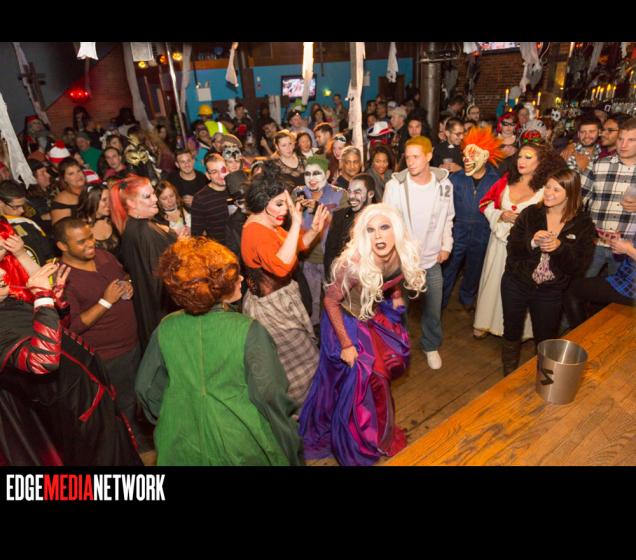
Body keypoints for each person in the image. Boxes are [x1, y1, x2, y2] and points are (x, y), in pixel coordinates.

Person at [135, 237, 302, 466]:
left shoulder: (165, 328)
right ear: (216, 288)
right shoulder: (248, 330)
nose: (241, 279)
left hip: (180, 443)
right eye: (234, 277)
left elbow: (145, 389)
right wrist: (290, 446)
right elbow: (270, 396)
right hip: (239, 445)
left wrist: (174, 415)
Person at [299, 203, 426, 466]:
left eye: (384, 227)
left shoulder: (402, 254)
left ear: (396, 229)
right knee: (359, 380)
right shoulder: (353, 265)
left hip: (370, 314)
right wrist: (346, 344)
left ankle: (374, 429)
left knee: (386, 367)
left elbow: (392, 278)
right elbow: (330, 301)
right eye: (370, 230)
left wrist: (396, 294)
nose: (378, 235)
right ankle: (356, 440)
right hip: (345, 321)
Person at [0, 235, 141, 466]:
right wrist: (42, 297)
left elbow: (57, 332)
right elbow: (42, 360)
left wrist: (53, 300)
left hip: (92, 392)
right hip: (75, 410)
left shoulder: (8, 302)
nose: (2, 273)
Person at [54, 217, 151, 451]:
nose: (90, 243)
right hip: (108, 358)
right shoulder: (63, 279)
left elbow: (123, 276)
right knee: (124, 406)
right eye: (81, 241)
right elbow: (71, 326)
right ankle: (139, 452)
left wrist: (128, 285)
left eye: (90, 237)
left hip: (133, 345)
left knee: (142, 399)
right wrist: (106, 301)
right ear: (62, 246)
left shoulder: (103, 256)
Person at [241, 163, 328, 405]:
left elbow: (296, 246)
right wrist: (297, 221)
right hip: (270, 310)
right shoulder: (255, 232)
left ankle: (312, 409)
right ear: (262, 202)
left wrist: (314, 231)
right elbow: (281, 265)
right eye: (280, 204)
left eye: (287, 204)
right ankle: (304, 414)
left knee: (308, 357)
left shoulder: (270, 224)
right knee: (303, 365)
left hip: (282, 300)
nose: (286, 210)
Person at [501, 168, 595, 374]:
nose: (549, 193)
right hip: (516, 283)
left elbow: (578, 267)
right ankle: (508, 374)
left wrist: (560, 248)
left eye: (556, 190)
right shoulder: (530, 213)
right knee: (511, 330)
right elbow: (512, 248)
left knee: (545, 337)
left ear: (570, 193)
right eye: (547, 187)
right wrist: (532, 242)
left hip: (550, 291)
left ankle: (544, 378)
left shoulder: (582, 224)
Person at [473, 143, 566, 339]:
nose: (521, 161)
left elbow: (554, 216)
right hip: (498, 245)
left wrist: (527, 225)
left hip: (526, 249)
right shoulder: (506, 180)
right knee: (493, 283)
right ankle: (485, 322)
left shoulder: (546, 188)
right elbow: (486, 203)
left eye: (528, 157)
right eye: (520, 157)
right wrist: (500, 214)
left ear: (541, 162)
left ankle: (518, 331)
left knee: (519, 286)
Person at [383, 136, 455, 370]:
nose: (410, 162)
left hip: (432, 259)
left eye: (416, 157)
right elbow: (386, 222)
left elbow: (449, 217)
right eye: (407, 157)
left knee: (433, 308)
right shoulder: (395, 186)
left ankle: (430, 345)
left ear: (429, 156)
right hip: (402, 261)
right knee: (399, 309)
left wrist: (446, 245)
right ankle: (399, 346)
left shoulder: (444, 184)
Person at [110, 175, 177, 351]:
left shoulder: (136, 226)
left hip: (155, 310)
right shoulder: (144, 232)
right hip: (164, 313)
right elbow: (159, 279)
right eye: (147, 196)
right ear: (131, 203)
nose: (155, 199)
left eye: (153, 193)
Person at [442, 127, 505, 311]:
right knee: (449, 267)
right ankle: (441, 300)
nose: (467, 159)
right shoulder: (455, 179)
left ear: (485, 156)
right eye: (465, 155)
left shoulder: (496, 180)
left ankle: (467, 298)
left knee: (474, 268)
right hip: (457, 230)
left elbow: (499, 207)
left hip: (482, 231)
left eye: (473, 155)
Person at [293, 156, 347, 326]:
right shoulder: (298, 193)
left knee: (334, 302)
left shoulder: (339, 194)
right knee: (312, 302)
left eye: (317, 173)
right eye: (307, 174)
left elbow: (343, 226)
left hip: (331, 260)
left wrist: (319, 209)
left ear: (328, 174)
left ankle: (334, 332)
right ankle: (315, 332)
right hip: (307, 259)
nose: (312, 178)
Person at [580, 118, 636, 278]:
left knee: (617, 292)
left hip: (627, 248)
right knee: (580, 285)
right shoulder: (599, 165)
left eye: (631, 140)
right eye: (620, 139)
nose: (623, 145)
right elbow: (578, 197)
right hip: (594, 243)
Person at [564, 235, 635, 329]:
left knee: (572, 289)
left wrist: (628, 249)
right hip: (625, 279)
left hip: (629, 287)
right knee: (595, 304)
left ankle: (581, 333)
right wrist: (626, 243)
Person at [324, 173, 375, 275]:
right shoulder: (339, 216)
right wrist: (333, 278)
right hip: (341, 276)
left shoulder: (379, 218)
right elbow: (330, 253)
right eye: (349, 191)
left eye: (357, 192)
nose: (351, 196)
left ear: (370, 194)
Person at [0, 180, 53, 266]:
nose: (22, 210)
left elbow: (48, 254)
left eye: (23, 205)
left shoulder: (28, 223)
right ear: (1, 203)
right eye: (16, 207)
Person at [190, 153, 230, 244]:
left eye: (223, 169)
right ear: (208, 176)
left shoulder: (236, 189)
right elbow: (196, 235)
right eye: (214, 172)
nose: (220, 175)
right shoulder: (200, 198)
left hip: (242, 246)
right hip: (219, 250)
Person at [76, 183, 120, 257]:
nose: (109, 203)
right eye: (104, 200)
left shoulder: (114, 220)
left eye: (110, 199)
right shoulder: (80, 228)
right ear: (91, 201)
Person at [50, 157, 87, 224]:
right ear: (64, 179)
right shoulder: (62, 200)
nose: (78, 176)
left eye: (79, 171)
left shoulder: (91, 190)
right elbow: (60, 228)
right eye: (71, 174)